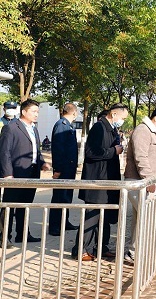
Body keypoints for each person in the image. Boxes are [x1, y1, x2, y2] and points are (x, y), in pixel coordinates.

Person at [71, 103, 128, 262]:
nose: (122, 121)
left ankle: (101, 247)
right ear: (114, 114)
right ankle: (81, 250)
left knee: (105, 217)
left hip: (108, 181)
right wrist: (113, 151)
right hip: (97, 181)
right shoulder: (99, 127)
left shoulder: (111, 129)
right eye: (122, 118)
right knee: (92, 217)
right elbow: (91, 152)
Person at [124, 105, 156, 263]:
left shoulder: (152, 132)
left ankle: (134, 251)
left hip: (146, 182)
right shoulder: (142, 131)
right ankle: (139, 252)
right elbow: (141, 158)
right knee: (149, 217)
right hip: (139, 182)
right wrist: (149, 179)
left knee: (141, 218)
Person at [0, 99, 51, 244]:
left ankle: (23, 234)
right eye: (34, 111)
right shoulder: (11, 128)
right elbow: (4, 152)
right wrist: (7, 173)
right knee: (10, 206)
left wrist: (42, 163)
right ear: (23, 111)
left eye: (38, 112)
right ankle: (4, 236)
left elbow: (35, 150)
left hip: (32, 172)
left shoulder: (34, 128)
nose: (36, 115)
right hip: (15, 174)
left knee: (25, 205)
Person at [48, 103, 79, 235]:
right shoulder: (61, 125)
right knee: (59, 197)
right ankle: (55, 226)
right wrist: (58, 169)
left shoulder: (68, 125)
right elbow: (58, 149)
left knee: (66, 197)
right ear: (74, 113)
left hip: (69, 168)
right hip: (63, 168)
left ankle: (64, 221)